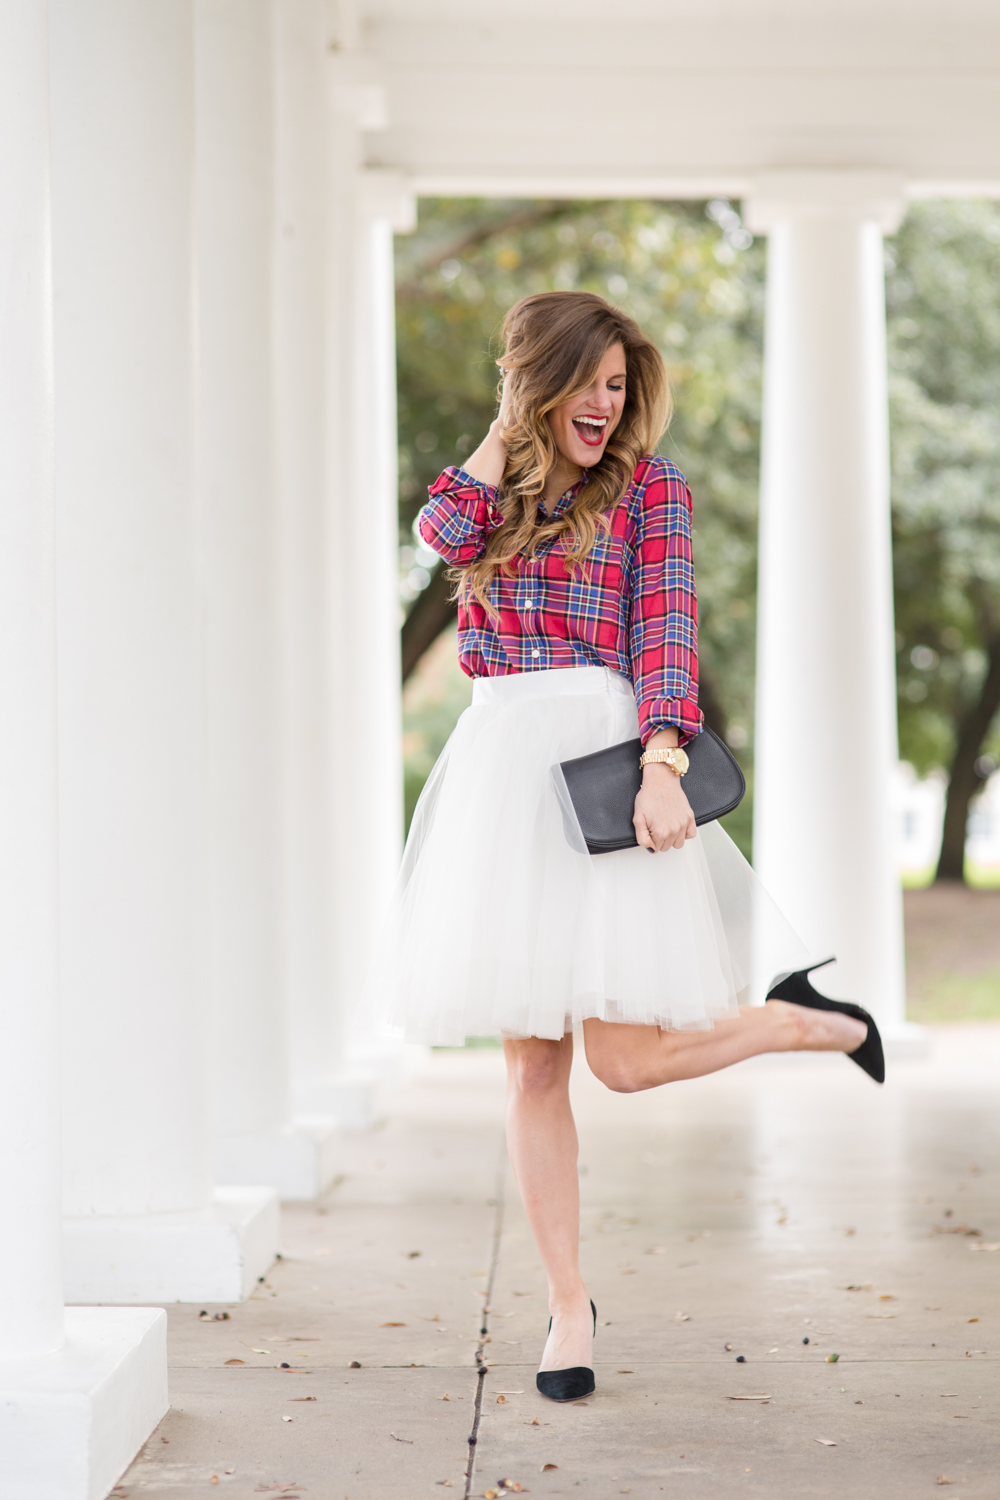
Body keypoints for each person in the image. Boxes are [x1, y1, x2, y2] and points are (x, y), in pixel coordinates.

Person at [366, 290, 883, 1403]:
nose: (606, 402)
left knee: (625, 1061)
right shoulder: (489, 495)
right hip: (502, 770)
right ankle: (566, 1310)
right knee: (531, 1061)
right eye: (587, 382)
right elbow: (438, 535)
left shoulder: (651, 491)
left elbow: (666, 630)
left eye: (618, 384)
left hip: (604, 762)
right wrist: (509, 429)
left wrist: (661, 761)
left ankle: (803, 1019)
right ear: (540, 383)